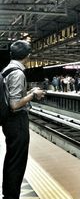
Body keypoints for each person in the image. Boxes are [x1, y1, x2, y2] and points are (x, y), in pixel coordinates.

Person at [2, 40, 45, 199]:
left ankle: (9, 194)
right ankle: (12, 196)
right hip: (17, 121)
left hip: (10, 122)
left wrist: (29, 92)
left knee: (12, 159)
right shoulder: (18, 72)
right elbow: (14, 104)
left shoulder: (7, 70)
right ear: (28, 56)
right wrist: (34, 95)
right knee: (17, 162)